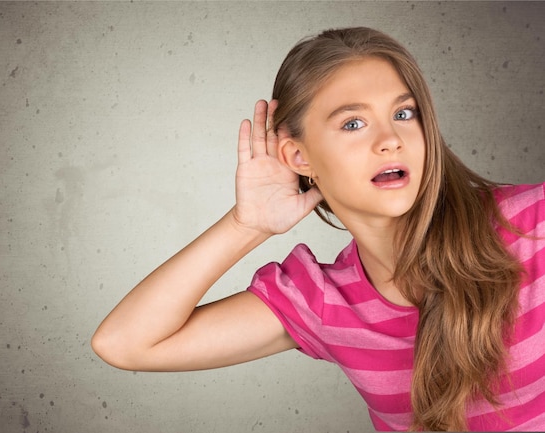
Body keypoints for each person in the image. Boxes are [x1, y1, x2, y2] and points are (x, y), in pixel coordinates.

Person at [91, 27, 544, 431]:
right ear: (298, 157)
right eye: (353, 123)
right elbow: (126, 343)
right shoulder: (325, 303)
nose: (390, 139)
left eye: (404, 114)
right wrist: (247, 225)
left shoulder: (531, 225)